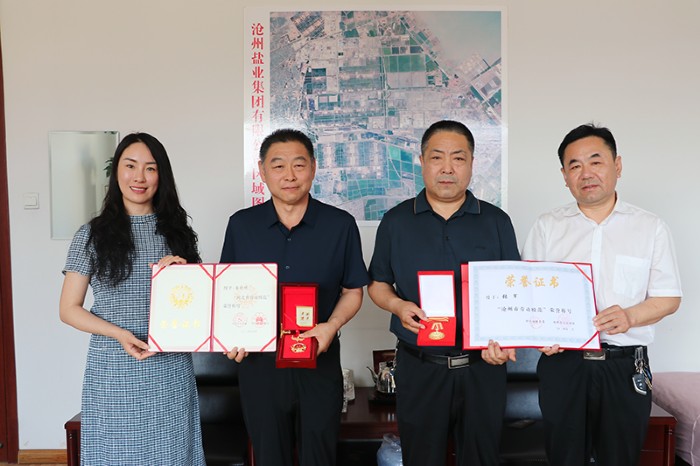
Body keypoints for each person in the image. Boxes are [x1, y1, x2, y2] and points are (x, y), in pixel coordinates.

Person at [521, 123, 682, 466]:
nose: (586, 173)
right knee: (563, 457)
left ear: (617, 165)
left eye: (596, 161)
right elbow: (528, 295)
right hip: (563, 364)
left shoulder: (650, 227)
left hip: (624, 366)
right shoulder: (547, 226)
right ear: (564, 176)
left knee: (620, 457)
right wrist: (540, 333)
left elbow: (669, 297)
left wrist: (630, 316)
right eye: (575, 165)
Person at [368, 120, 520, 466]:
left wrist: (505, 340)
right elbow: (377, 283)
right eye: (437, 157)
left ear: (471, 163)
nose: (447, 168)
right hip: (420, 366)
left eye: (458, 158)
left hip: (483, 367)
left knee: (482, 458)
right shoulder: (395, 221)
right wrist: (397, 305)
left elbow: (513, 290)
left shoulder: (496, 221)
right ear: (422, 162)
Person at [221, 128, 370, 466]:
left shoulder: (340, 225)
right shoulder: (241, 226)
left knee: (320, 456)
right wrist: (231, 334)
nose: (289, 175)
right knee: (269, 457)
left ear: (313, 168)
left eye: (299, 165)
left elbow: (352, 290)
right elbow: (228, 292)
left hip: (319, 360)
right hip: (260, 365)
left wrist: (331, 325)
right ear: (262, 172)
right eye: (278, 166)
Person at [59, 133, 205, 465]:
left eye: (150, 168)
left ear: (161, 176)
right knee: (116, 454)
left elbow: (197, 309)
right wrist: (120, 333)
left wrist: (182, 274)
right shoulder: (91, 234)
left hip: (169, 367)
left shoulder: (178, 233)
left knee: (172, 454)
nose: (139, 177)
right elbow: (68, 309)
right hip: (113, 368)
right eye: (130, 166)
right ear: (116, 172)